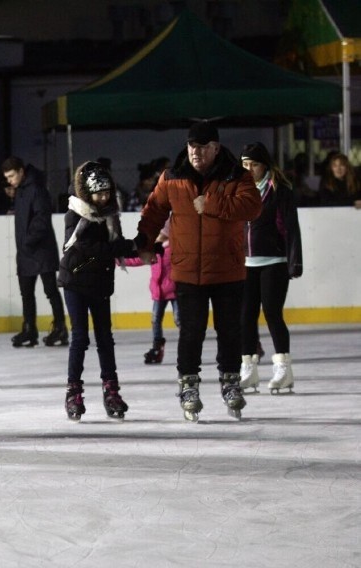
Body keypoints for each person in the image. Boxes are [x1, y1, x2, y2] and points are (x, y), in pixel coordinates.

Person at [135, 121, 262, 421]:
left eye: (203, 147)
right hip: (188, 271)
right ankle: (188, 384)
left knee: (229, 331)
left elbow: (252, 207)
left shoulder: (236, 175)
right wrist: (144, 241)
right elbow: (153, 210)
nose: (196, 152)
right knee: (191, 332)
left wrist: (212, 203)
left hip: (227, 270)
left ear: (216, 148)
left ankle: (230, 382)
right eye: (192, 145)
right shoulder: (173, 177)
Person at [57, 162, 140, 421]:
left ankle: (111, 391)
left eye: (107, 192)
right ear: (87, 193)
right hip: (75, 282)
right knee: (80, 338)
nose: (103, 197)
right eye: (98, 193)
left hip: (100, 283)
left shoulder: (110, 215)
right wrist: (129, 248)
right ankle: (73, 393)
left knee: (105, 338)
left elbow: (115, 245)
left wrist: (142, 247)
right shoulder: (76, 214)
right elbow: (89, 249)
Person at [239, 142, 303, 394]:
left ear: (264, 165)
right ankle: (248, 368)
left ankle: (283, 368)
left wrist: (294, 260)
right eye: (245, 164)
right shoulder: (238, 190)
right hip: (245, 264)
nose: (249, 169)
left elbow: (291, 228)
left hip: (274, 262)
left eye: (253, 164)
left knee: (272, 313)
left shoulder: (279, 190)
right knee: (245, 316)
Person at [1, 156, 68, 347]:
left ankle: (60, 328)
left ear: (21, 171)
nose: (10, 180)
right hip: (26, 251)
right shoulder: (21, 190)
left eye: (12, 176)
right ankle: (29, 328)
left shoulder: (37, 189)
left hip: (41, 249)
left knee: (50, 290)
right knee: (26, 293)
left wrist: (28, 241)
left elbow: (41, 218)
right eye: (7, 177)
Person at [124, 217, 179, 364]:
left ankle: (188, 344)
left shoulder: (174, 248)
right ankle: (157, 346)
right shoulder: (153, 248)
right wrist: (121, 260)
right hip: (158, 292)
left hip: (174, 291)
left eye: (160, 233)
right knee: (155, 320)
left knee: (179, 319)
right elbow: (139, 259)